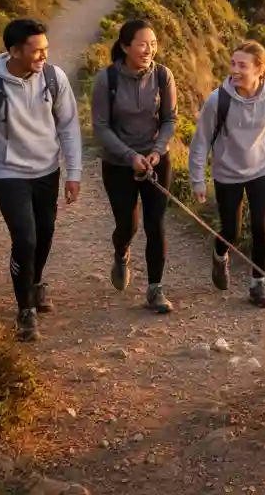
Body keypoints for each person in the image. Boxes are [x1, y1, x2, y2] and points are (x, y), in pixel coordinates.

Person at [0, 18, 82, 342]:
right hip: (8, 173)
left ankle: (36, 281)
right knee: (25, 240)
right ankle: (25, 309)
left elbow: (68, 125)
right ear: (14, 51)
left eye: (46, 49)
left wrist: (74, 172)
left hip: (47, 170)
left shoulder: (54, 79)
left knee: (45, 234)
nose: (43, 56)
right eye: (36, 50)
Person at [188, 40, 265, 308]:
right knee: (230, 231)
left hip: (260, 170)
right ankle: (220, 255)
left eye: (242, 65)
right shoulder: (218, 99)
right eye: (233, 63)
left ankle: (258, 284)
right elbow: (201, 141)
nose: (234, 70)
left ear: (260, 69)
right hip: (227, 172)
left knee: (261, 229)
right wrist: (197, 179)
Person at [91, 19, 178, 313]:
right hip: (118, 164)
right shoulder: (107, 79)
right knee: (128, 225)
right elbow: (101, 128)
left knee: (156, 224)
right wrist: (131, 157)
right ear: (125, 46)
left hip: (156, 161)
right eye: (142, 44)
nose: (149, 49)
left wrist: (156, 151)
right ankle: (121, 251)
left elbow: (169, 120)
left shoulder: (163, 75)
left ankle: (155, 289)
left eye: (153, 44)